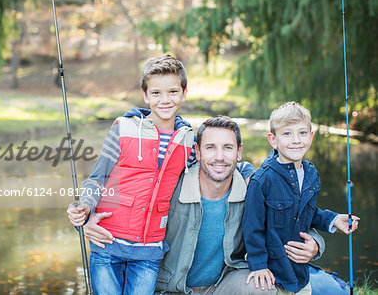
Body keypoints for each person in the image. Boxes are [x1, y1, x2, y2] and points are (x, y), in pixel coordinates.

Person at [71, 116, 326, 294]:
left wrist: (316, 243)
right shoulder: (172, 184)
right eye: (211, 147)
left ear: (239, 152)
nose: (219, 157)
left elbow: (294, 213)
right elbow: (122, 197)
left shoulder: (252, 186)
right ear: (198, 151)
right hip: (169, 289)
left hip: (221, 286)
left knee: (264, 288)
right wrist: (87, 218)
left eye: (228, 148)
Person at [68, 54, 195, 294]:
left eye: (173, 92)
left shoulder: (188, 140)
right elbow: (97, 178)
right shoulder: (123, 128)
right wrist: (85, 207)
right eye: (156, 93)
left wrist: (249, 172)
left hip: (149, 251)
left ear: (184, 93)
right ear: (145, 95)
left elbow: (214, 165)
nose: (165, 100)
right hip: (107, 242)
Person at [242, 101, 360, 294]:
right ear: (273, 140)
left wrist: (334, 219)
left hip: (299, 272)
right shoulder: (262, 180)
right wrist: (258, 265)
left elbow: (307, 212)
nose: (296, 140)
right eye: (287, 134)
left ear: (311, 137)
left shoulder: (311, 174)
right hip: (272, 271)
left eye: (302, 133)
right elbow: (252, 227)